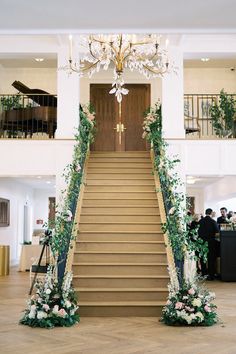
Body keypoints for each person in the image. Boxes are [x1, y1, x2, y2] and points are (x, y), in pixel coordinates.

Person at [198, 208, 219, 280]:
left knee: (203, 258)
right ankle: (211, 275)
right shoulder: (213, 221)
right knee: (211, 259)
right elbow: (217, 231)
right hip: (211, 242)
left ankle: (203, 274)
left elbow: (197, 231)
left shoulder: (200, 221)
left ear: (205, 213)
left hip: (202, 242)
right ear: (211, 213)